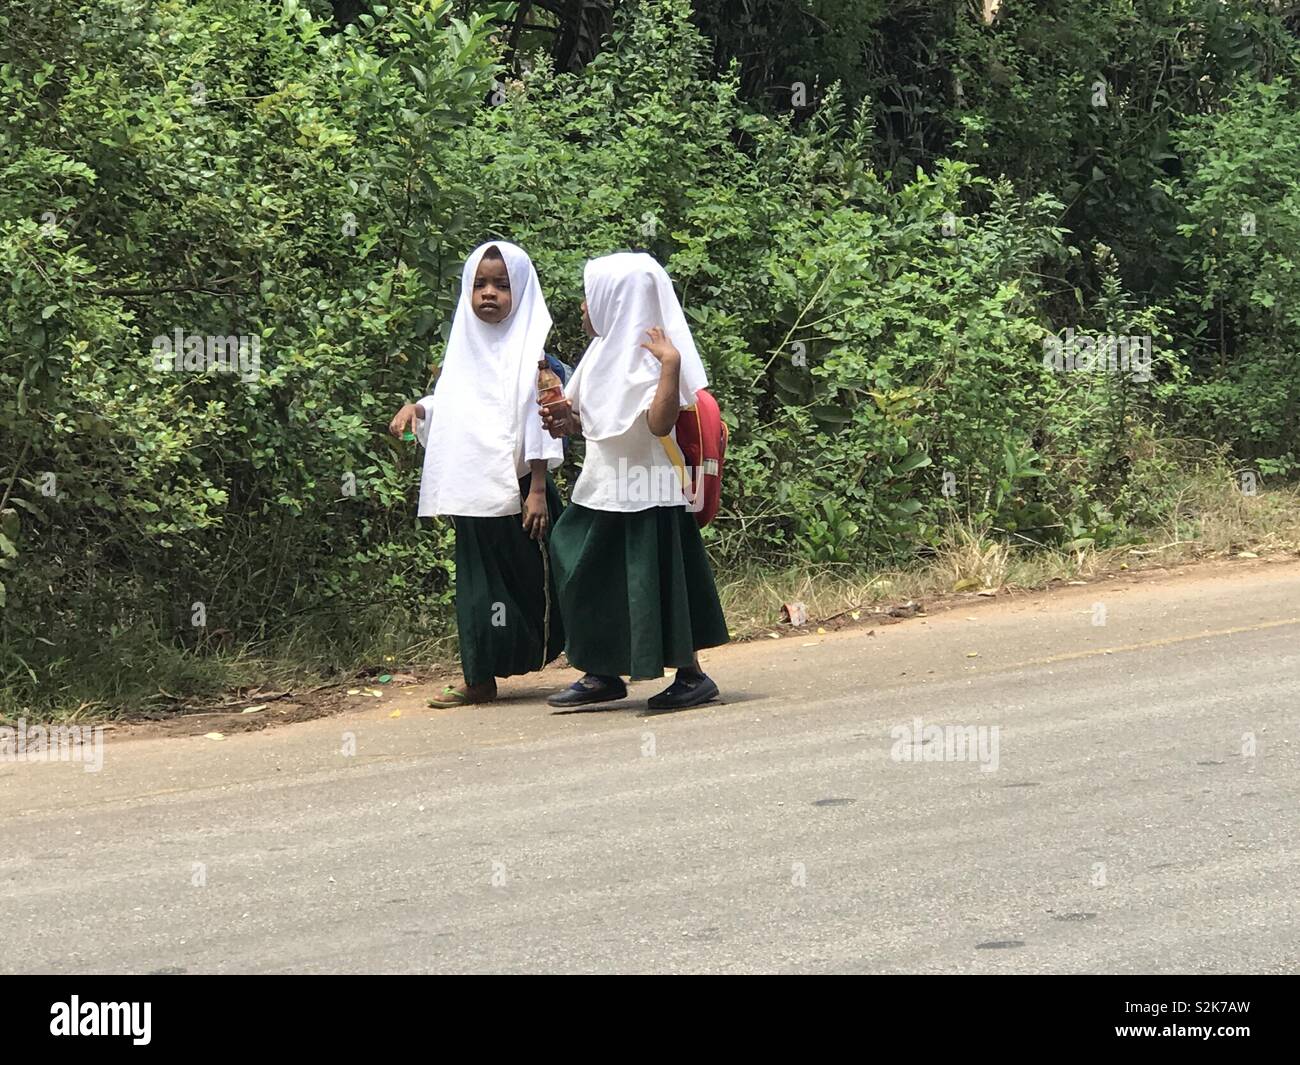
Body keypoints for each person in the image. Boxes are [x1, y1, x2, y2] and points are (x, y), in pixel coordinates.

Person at [540, 252, 728, 710]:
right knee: (583, 572)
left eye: (591, 298)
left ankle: (691, 676)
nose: (584, 308)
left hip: (648, 493)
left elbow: (659, 424)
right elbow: (598, 424)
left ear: (618, 300)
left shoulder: (654, 355)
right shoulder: (601, 352)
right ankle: (603, 670)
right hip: (602, 487)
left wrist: (670, 367)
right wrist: (567, 419)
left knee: (658, 583)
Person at [389, 242, 564, 707]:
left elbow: (542, 421)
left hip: (525, 488)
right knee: (477, 589)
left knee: (549, 577)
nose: (489, 294)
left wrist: (540, 490)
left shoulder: (533, 355)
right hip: (475, 488)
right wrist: (419, 408)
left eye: (502, 286)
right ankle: (480, 677)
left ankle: (594, 661)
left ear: (521, 291)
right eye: (480, 284)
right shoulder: (463, 348)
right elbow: (453, 403)